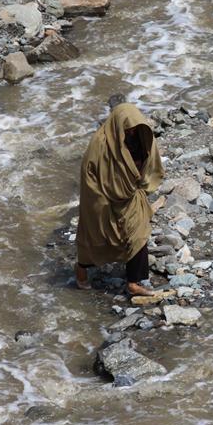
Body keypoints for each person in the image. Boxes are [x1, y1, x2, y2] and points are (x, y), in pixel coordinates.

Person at [74, 102, 164, 295]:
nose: (131, 132)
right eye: (127, 129)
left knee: (139, 235)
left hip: (131, 196)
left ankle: (133, 282)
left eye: (134, 129)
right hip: (104, 199)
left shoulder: (141, 136)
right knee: (96, 236)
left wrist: (140, 184)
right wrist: (100, 201)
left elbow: (150, 162)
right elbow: (89, 177)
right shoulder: (100, 145)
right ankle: (81, 268)